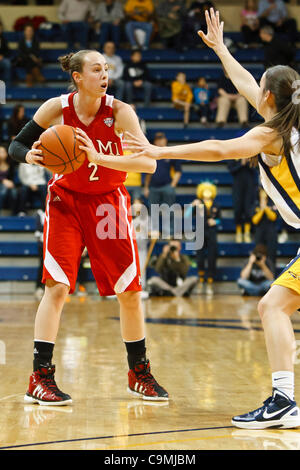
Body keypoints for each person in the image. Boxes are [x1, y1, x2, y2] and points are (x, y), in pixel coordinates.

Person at [124, 8, 300, 428]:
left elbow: (220, 149)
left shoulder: (269, 135)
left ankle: (284, 400)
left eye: (260, 89)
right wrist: (222, 49)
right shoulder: (287, 119)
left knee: (272, 307)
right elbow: (246, 86)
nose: (254, 90)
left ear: (269, 98)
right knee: (274, 306)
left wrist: (161, 152)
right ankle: (285, 399)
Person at [8, 49, 168, 406]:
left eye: (107, 68)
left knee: (129, 291)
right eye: (96, 69)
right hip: (65, 201)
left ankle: (138, 372)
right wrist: (28, 155)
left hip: (108, 203)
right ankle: (40, 377)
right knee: (58, 287)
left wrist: (99, 157)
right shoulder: (56, 108)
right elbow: (16, 144)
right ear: (78, 77)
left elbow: (149, 164)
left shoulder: (121, 112)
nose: (104, 74)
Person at [187, 182, 221, 295]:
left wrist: (215, 221)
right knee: (199, 254)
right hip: (200, 231)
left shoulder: (216, 205)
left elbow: (220, 219)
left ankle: (211, 275)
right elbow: (187, 215)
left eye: (209, 190)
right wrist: (192, 205)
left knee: (212, 254)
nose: (207, 192)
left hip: (212, 232)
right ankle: (201, 274)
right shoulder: (198, 203)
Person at [227, 156, 257, 243]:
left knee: (248, 209)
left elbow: (256, 169)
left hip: (249, 186)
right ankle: (239, 232)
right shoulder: (234, 154)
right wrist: (241, 164)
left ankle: (247, 232)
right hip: (238, 186)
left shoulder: (250, 154)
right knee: (238, 209)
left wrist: (248, 163)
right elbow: (230, 169)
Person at [252, 187, 278, 264]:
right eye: (261, 192)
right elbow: (254, 220)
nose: (263, 194)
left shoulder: (272, 203)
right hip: (259, 232)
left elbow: (273, 217)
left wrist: (265, 207)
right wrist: (262, 209)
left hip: (271, 232)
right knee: (259, 254)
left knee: (271, 255)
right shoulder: (255, 205)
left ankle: (272, 274)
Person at [0, 144, 18, 215]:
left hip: (9, 184)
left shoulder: (11, 164)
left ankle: (14, 213)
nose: (1, 154)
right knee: (3, 191)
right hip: (2, 184)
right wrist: (3, 180)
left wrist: (10, 183)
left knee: (14, 192)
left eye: (2, 152)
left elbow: (12, 177)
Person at [0, 22, 12, 86]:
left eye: (0, 28)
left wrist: (2, 56)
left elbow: (8, 51)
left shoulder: (4, 39)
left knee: (7, 63)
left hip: (2, 60)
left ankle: (7, 85)